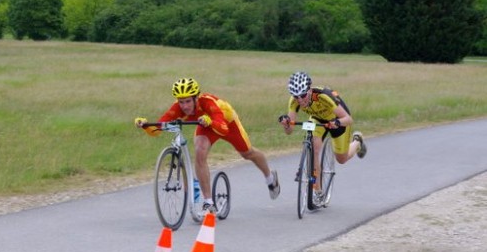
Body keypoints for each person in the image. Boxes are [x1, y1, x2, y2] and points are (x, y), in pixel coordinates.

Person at [135, 77, 280, 213]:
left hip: (226, 122)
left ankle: (270, 178)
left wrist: (210, 122)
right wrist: (145, 125)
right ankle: (208, 202)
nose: (184, 106)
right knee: (200, 151)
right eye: (181, 102)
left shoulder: (208, 103)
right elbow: (159, 128)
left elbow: (224, 128)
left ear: (195, 98)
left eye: (187, 101)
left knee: (247, 153)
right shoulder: (177, 108)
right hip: (205, 124)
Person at [278, 71, 367, 197]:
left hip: (338, 120)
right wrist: (286, 124)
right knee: (314, 149)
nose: (300, 100)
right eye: (295, 96)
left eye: (303, 95)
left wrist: (336, 122)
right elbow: (289, 131)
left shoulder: (324, 96)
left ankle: (357, 141)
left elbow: (348, 119)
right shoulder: (294, 101)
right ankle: (318, 191)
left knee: (341, 159)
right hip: (317, 119)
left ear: (309, 90)